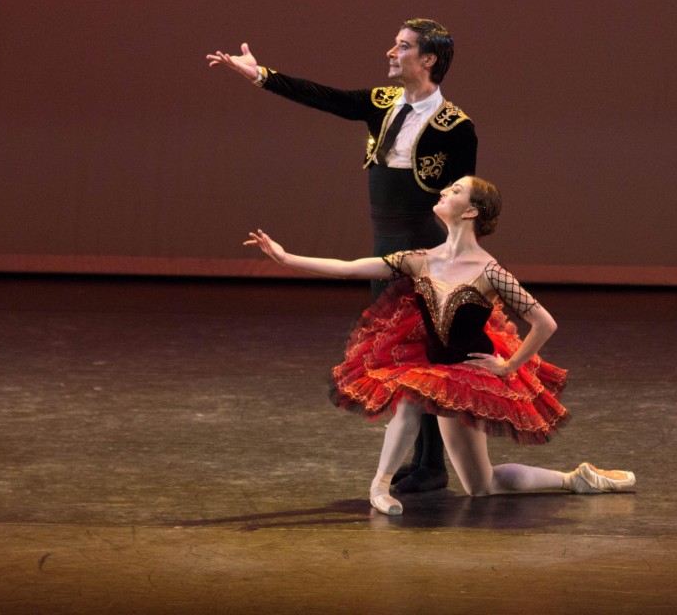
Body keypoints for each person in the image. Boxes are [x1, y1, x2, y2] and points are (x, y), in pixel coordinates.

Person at [244, 176, 635, 515]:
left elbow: (544, 323)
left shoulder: (489, 270)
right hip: (434, 368)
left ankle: (575, 479)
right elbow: (350, 267)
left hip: (467, 375)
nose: (445, 190)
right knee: (416, 399)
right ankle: (379, 487)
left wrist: (506, 366)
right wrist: (285, 257)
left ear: (471, 212)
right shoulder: (420, 260)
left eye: (457, 189)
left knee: (481, 486)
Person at [209, 19, 477, 494]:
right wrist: (260, 75)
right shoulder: (382, 103)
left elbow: (462, 199)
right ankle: (422, 461)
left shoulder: (455, 126)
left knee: (427, 354)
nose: (390, 52)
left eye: (402, 46)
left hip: (423, 243)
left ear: (429, 59)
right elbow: (325, 96)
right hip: (385, 241)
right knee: (397, 351)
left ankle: (432, 465)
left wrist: (452, 259)